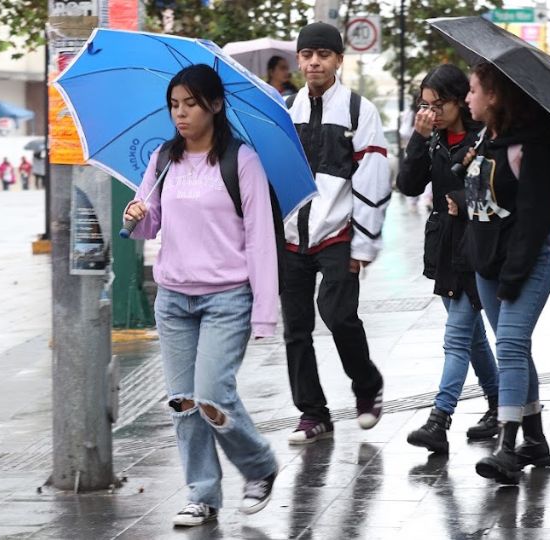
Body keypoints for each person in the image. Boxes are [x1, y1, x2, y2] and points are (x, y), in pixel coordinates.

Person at [123, 64, 279, 527]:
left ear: (215, 105)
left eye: (190, 104)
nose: (181, 114)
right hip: (172, 297)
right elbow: (149, 223)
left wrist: (264, 314)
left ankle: (259, 466)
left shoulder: (242, 162)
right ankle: (203, 494)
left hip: (226, 299)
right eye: (174, 105)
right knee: (184, 403)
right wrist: (137, 214)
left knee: (213, 397)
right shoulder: (163, 160)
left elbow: (260, 240)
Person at [282, 22, 392, 444]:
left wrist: (363, 243)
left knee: (338, 314)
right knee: (296, 328)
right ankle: (313, 413)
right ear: (299, 60)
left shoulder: (358, 111)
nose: (314, 62)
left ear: (338, 60)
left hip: (338, 233)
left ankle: (367, 385)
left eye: (323, 55)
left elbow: (373, 177)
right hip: (291, 236)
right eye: (307, 54)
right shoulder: (286, 111)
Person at [450, 61, 550, 484]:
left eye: (474, 91)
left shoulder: (530, 147)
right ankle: (535, 441)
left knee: (510, 347)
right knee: (515, 349)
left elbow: (533, 219)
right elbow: (475, 199)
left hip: (524, 263)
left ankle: (508, 447)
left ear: (494, 97)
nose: (467, 99)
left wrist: (513, 275)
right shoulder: (486, 140)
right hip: (488, 264)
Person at [396, 64, 500, 454]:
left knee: (457, 336)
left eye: (438, 105)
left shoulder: (484, 137)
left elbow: (493, 192)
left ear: (460, 100)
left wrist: (462, 196)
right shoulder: (433, 138)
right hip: (444, 247)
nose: (431, 113)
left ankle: (439, 419)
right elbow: (408, 186)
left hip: (476, 247)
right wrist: (417, 140)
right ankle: (499, 405)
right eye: (425, 106)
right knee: (472, 338)